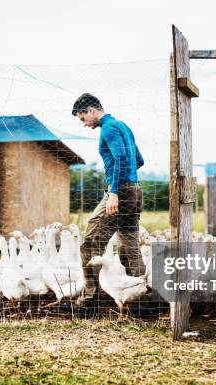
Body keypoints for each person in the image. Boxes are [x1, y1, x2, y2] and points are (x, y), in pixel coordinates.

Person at [71, 93, 145, 306]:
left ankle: (89, 297)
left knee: (90, 241)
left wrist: (114, 192)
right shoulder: (123, 126)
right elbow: (138, 160)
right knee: (129, 243)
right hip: (135, 190)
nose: (84, 124)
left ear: (92, 110)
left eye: (83, 119)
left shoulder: (109, 128)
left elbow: (121, 158)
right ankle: (141, 295)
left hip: (120, 192)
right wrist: (127, 179)